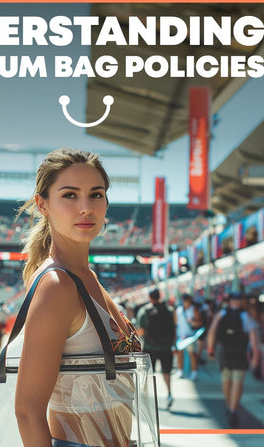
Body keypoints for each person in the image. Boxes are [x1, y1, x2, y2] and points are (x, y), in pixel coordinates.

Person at [14, 148, 142, 447]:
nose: (86, 208)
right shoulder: (57, 285)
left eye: (96, 194)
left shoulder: (86, 276)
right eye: (69, 195)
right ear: (43, 205)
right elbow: (27, 410)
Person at [207, 291, 259, 428]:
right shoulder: (245, 315)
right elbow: (253, 338)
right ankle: (233, 409)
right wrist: (255, 356)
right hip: (240, 352)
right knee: (238, 382)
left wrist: (210, 349)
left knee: (226, 380)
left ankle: (229, 404)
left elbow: (212, 331)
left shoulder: (222, 314)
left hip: (225, 352)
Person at [137, 287, 176, 409]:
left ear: (150, 297)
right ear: (160, 296)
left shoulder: (144, 311)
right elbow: (173, 329)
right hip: (166, 347)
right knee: (166, 373)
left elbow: (141, 331)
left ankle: (145, 395)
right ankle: (169, 394)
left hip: (150, 347)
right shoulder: (169, 310)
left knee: (147, 373)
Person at [174, 293, 203, 380]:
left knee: (192, 354)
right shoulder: (178, 310)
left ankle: (194, 372)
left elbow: (200, 322)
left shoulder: (194, 310)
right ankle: (180, 371)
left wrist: (193, 322)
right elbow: (176, 324)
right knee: (180, 354)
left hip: (190, 336)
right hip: (180, 336)